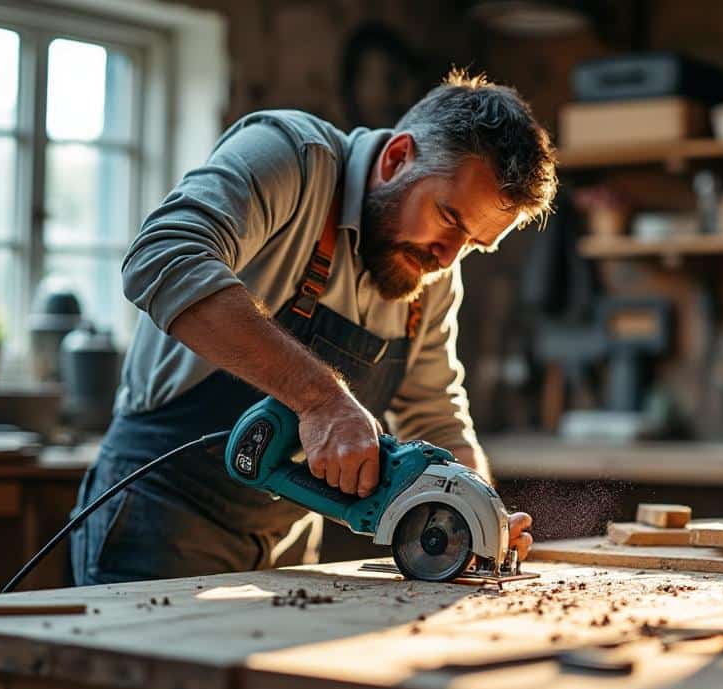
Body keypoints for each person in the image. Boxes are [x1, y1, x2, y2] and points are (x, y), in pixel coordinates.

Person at [69, 69, 556, 585]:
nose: (448, 257)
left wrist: (478, 517)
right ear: (396, 159)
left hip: (289, 540)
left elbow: (436, 417)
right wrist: (321, 398)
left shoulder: (432, 271)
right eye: (449, 219)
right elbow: (162, 255)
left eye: (474, 245)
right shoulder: (292, 158)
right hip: (161, 513)